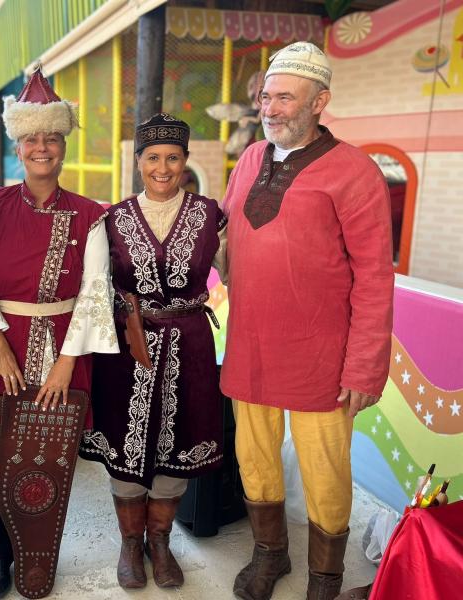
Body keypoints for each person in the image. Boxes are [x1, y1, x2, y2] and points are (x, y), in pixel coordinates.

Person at [220, 42, 394, 600]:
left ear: (320, 102)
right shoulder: (250, 158)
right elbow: (224, 236)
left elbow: (374, 277)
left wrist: (364, 367)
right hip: (250, 345)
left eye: (285, 98)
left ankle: (325, 578)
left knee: (324, 470)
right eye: (266, 97)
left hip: (321, 354)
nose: (270, 109)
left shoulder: (355, 171)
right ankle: (270, 554)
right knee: (255, 460)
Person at [0, 67, 118, 598]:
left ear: (63, 145)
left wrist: (67, 362)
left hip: (62, 347)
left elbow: (95, 290)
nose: (42, 147)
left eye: (52, 138)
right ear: (18, 147)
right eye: (31, 138)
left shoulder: (89, 214)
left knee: (46, 456)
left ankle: (36, 551)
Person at [80, 113, 228, 590]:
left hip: (190, 343)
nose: (162, 168)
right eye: (153, 158)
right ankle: (130, 544)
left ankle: (160, 542)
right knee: (125, 444)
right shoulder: (112, 219)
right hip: (127, 345)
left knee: (178, 443)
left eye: (173, 158)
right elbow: (93, 284)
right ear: (138, 162)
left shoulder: (211, 215)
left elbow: (239, 273)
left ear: (186, 161)